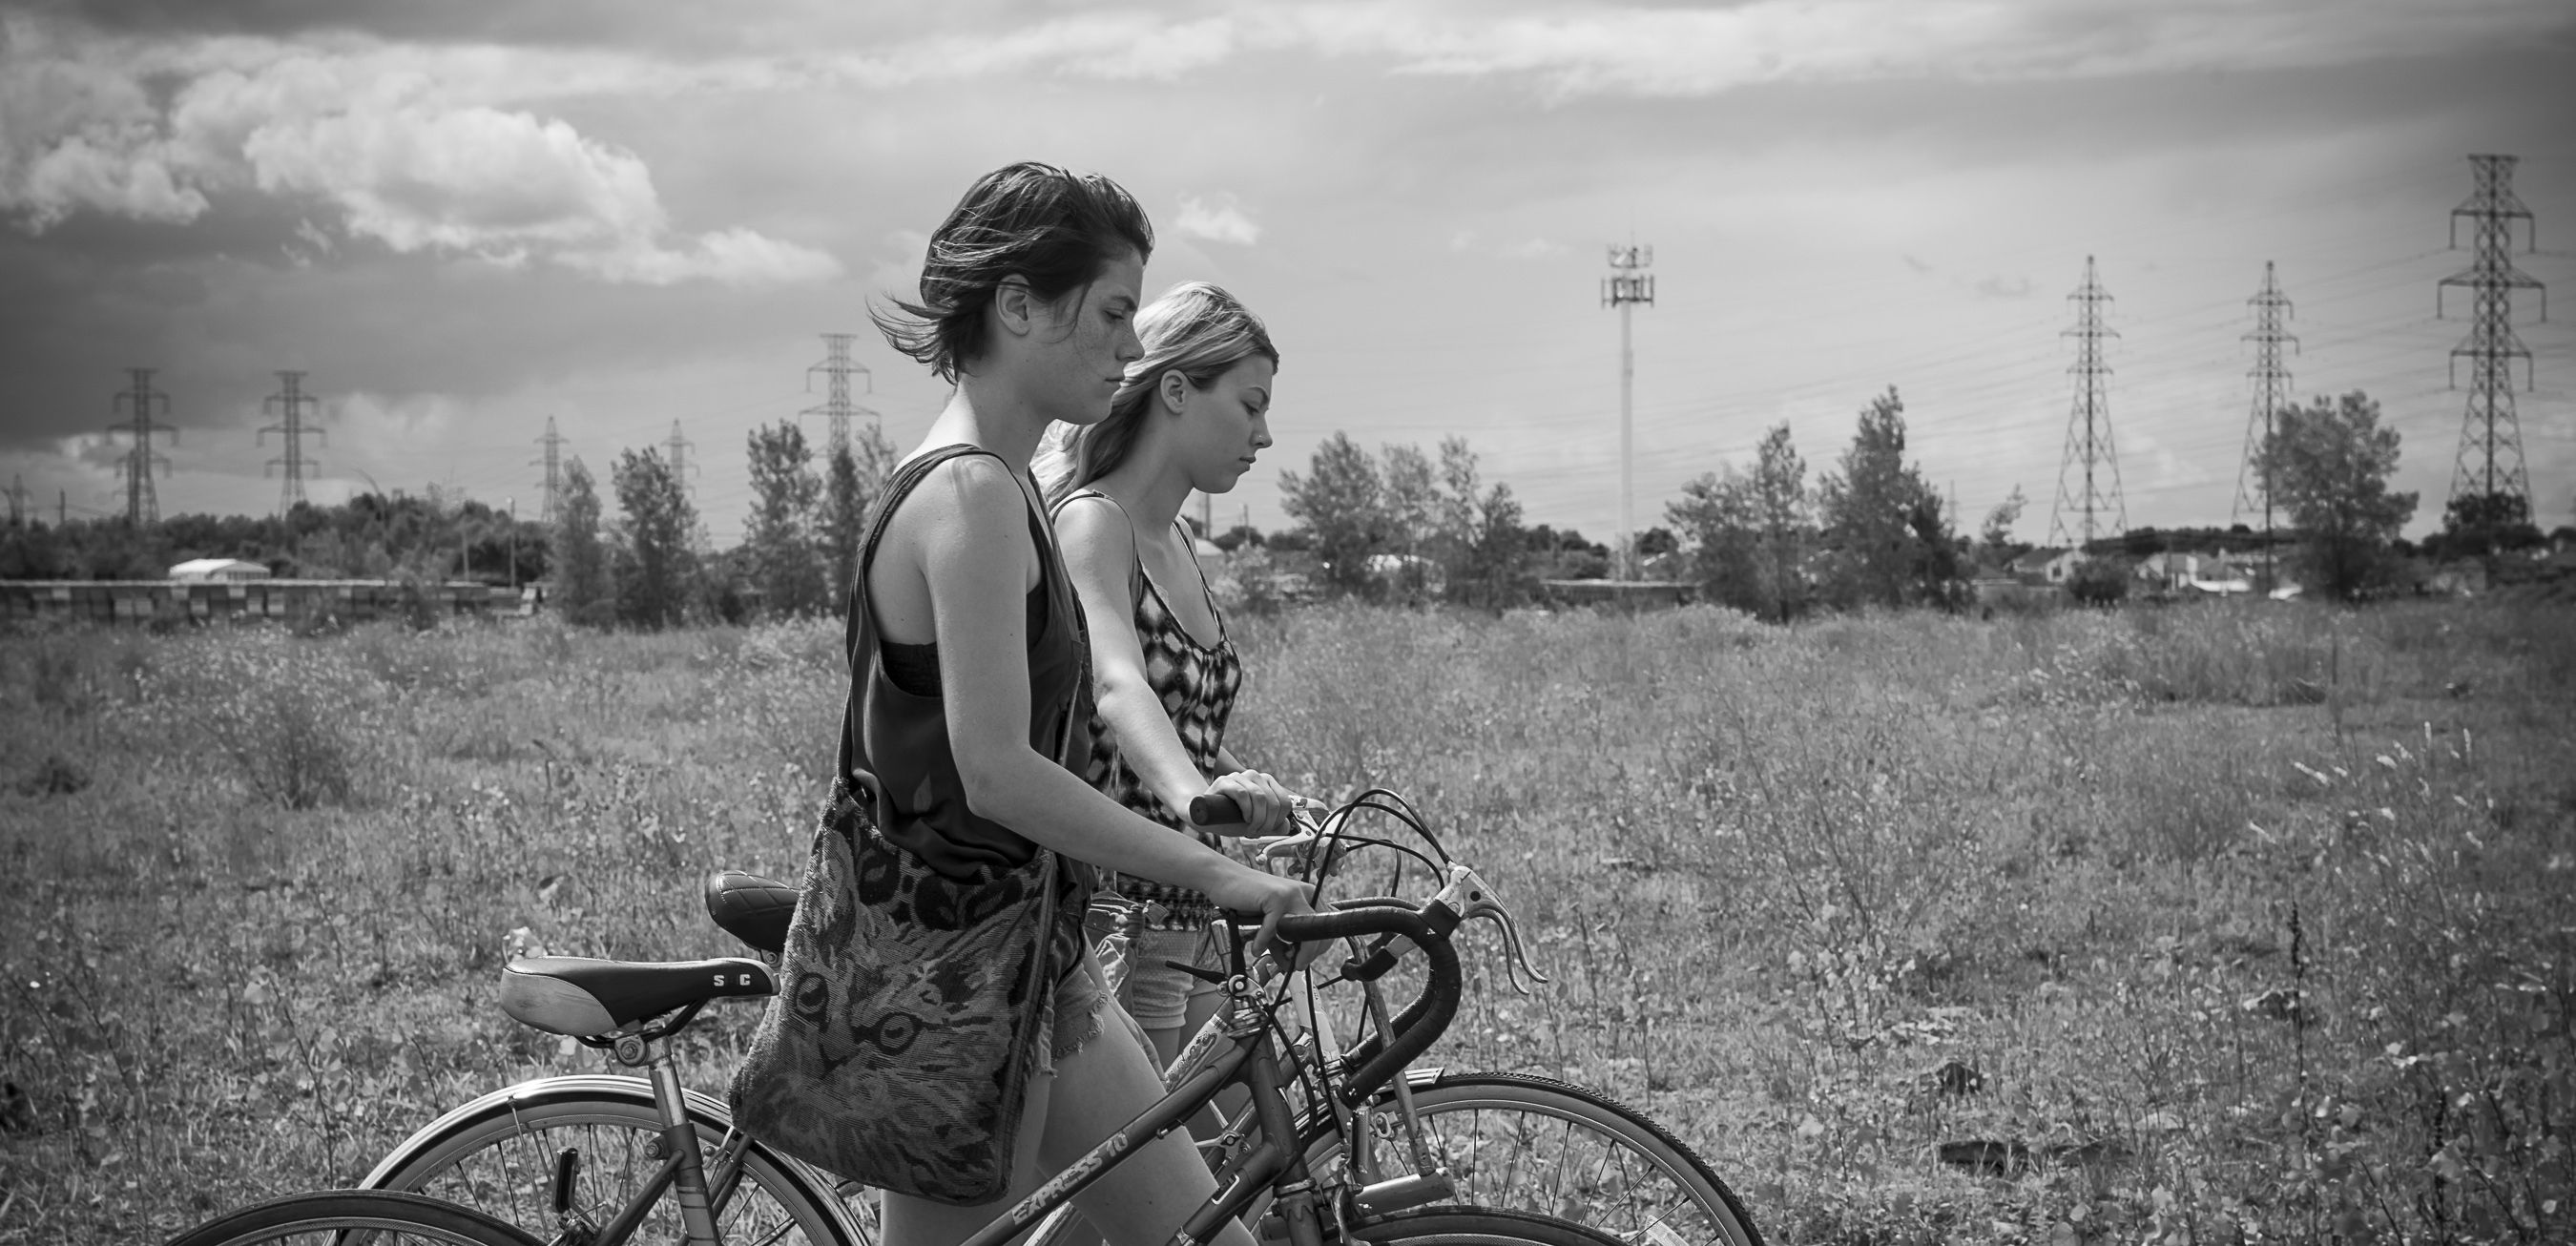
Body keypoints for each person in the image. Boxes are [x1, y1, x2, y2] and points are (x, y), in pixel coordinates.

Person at [856, 162, 1307, 1246]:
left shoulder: (999, 488)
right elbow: (997, 768)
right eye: (1113, 314)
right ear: (1019, 305)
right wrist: (1210, 863)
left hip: (1024, 951)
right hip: (954, 970)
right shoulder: (969, 492)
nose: (1130, 346)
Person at [1039, 281, 1305, 1076]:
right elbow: (1119, 687)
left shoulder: (1177, 539)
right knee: (1152, 1188)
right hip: (1124, 915)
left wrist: (1261, 793)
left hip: (1195, 908)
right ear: (1178, 390)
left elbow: (1184, 719)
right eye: (1250, 405)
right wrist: (1193, 798)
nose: (1264, 433)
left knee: (1245, 1159)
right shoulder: (1094, 522)